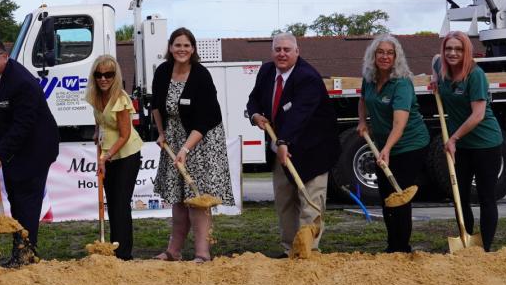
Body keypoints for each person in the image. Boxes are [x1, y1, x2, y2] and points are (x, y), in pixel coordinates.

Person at [246, 33, 339, 256]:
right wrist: (255, 115)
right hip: (281, 150)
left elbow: (300, 115)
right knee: (285, 202)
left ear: (297, 52)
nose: (282, 54)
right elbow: (254, 99)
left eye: (287, 49)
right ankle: (290, 250)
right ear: (272, 52)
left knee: (311, 204)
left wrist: (284, 141)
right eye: (278, 49)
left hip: (313, 149)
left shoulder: (308, 77)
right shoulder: (267, 72)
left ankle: (308, 251)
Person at [150, 28, 232, 263]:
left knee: (197, 198)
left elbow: (205, 119)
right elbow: (156, 104)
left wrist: (185, 149)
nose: (182, 50)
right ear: (170, 47)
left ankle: (202, 253)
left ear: (193, 49)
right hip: (174, 138)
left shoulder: (201, 76)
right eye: (177, 45)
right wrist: (162, 132)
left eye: (186, 45)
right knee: (177, 197)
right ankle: (173, 251)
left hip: (202, 140)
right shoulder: (163, 71)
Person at [0, 37, 58, 267]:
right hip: (13, 148)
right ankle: (19, 252)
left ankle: (25, 255)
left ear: (5, 56)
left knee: (27, 202)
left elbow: (23, 125)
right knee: (15, 198)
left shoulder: (22, 83)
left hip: (36, 147)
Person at [356, 34, 430, 253]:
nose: (385, 57)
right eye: (381, 52)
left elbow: (399, 123)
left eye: (390, 53)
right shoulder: (369, 77)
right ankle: (392, 246)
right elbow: (362, 100)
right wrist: (362, 121)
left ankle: (402, 247)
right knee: (386, 195)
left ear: (396, 57)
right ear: (373, 55)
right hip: (383, 145)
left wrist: (386, 149)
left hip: (410, 145)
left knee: (399, 195)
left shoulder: (402, 83)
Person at [434, 30, 505, 251]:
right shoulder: (441, 66)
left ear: (467, 51)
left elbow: (478, 115)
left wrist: (453, 138)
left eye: (458, 49)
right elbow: (434, 60)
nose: (452, 53)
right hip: (462, 147)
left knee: (486, 196)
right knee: (459, 195)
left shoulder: (475, 75)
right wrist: (434, 77)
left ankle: (485, 247)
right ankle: (465, 239)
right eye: (449, 48)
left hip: (486, 144)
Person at [86, 54, 143, 260]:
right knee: (112, 202)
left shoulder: (120, 98)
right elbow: (100, 120)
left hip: (126, 154)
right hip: (108, 154)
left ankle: (124, 253)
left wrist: (105, 157)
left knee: (120, 203)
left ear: (115, 76)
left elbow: (125, 135)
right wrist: (96, 133)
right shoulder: (95, 96)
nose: (103, 79)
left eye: (108, 74)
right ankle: (114, 247)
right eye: (99, 74)